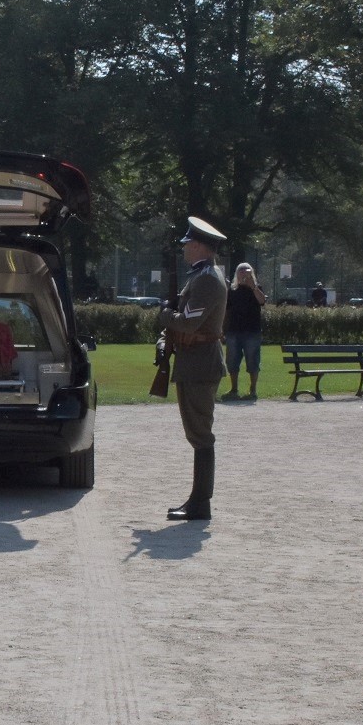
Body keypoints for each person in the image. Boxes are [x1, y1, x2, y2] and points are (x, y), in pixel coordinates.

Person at [160, 217, 229, 522]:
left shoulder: (207, 280)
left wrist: (164, 315)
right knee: (196, 433)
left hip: (200, 364)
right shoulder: (201, 276)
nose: (185, 249)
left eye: (188, 244)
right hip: (194, 362)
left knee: (201, 435)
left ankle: (201, 503)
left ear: (200, 246)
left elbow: (188, 322)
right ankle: (197, 500)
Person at [222, 263, 264, 401]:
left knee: (253, 361)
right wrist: (223, 329)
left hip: (252, 331)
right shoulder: (232, 291)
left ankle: (253, 390)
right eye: (240, 271)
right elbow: (226, 312)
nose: (243, 274)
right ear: (236, 274)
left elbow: (262, 300)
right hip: (233, 331)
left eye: (246, 271)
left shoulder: (256, 289)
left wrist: (253, 286)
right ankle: (234, 390)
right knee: (232, 361)